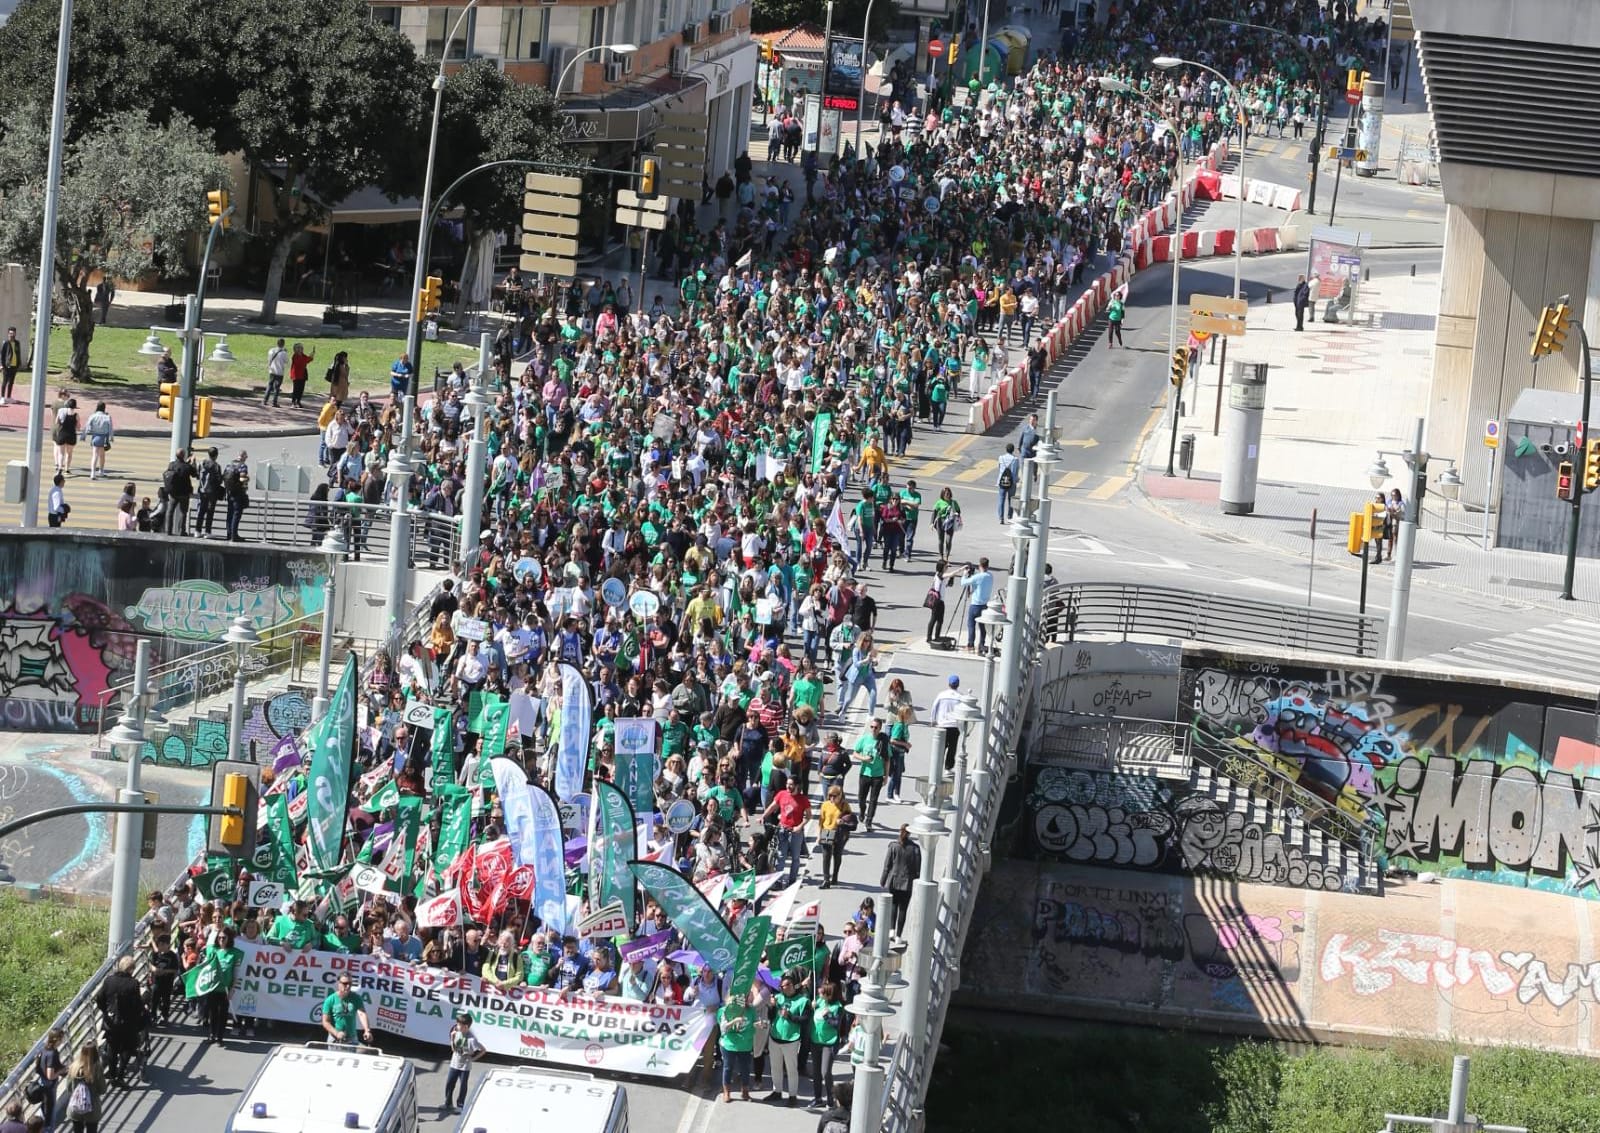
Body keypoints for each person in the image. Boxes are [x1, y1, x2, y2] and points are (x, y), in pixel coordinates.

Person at [94, 956, 145, 1085]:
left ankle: (112, 1074)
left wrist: (106, 1011)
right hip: (128, 1023)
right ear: (130, 969)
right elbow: (138, 1005)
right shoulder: (133, 984)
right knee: (127, 1048)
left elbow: (99, 997)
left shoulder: (109, 980)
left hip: (111, 1022)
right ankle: (120, 1076)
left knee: (112, 1048)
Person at [762, 775, 811, 885]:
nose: (788, 786)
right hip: (782, 829)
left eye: (791, 784)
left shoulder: (803, 799)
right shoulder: (782, 794)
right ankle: (778, 880)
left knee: (795, 857)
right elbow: (773, 806)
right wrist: (763, 816)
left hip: (795, 832)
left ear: (797, 786)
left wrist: (800, 827)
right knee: (781, 856)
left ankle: (792, 880)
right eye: (787, 784)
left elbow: (808, 816)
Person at [768, 974, 808, 1105]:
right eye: (782, 986)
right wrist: (772, 1006)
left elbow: (805, 1020)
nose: (785, 988)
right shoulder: (778, 998)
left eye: (788, 985)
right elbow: (771, 1017)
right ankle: (777, 1091)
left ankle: (792, 1096)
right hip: (775, 1037)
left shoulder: (803, 1001)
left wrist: (789, 1016)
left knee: (791, 1069)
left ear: (794, 985)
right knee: (775, 1067)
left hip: (791, 1040)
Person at [200, 926, 244, 1043]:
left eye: (223, 938)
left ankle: (220, 1036)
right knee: (212, 1012)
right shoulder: (213, 950)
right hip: (213, 987)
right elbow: (206, 967)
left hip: (225, 988)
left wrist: (232, 990)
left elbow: (236, 973)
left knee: (222, 1013)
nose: (221, 940)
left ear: (229, 938)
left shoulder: (235, 953)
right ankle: (211, 1034)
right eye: (219, 938)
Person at [808, 981, 845, 1108]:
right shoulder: (819, 1001)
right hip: (816, 1041)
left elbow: (836, 1025)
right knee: (816, 1072)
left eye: (823, 991)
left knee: (825, 1072)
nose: (820, 991)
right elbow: (811, 1008)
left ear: (829, 994)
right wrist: (811, 1005)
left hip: (829, 1043)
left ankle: (831, 1099)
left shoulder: (838, 1007)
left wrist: (828, 1016)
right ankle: (817, 1098)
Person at [880, 827, 921, 939]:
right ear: (909, 833)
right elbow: (918, 869)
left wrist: (883, 880)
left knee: (894, 905)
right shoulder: (915, 848)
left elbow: (887, 866)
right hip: (907, 883)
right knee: (903, 909)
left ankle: (891, 930)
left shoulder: (893, 846)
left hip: (894, 881)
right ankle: (898, 935)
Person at [443, 1011, 485, 1113]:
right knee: (449, 1083)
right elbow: (453, 1049)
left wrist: (474, 1059)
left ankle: (460, 1105)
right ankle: (448, 1103)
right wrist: (452, 1039)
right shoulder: (456, 1032)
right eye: (457, 1024)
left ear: (466, 1026)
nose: (457, 1026)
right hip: (454, 1062)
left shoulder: (472, 1039)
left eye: (459, 1025)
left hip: (465, 1066)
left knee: (463, 1085)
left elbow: (483, 1050)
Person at [718, 992, 756, 1103]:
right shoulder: (724, 1010)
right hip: (729, 1045)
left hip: (745, 1045)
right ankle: (727, 1092)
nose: (744, 1001)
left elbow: (754, 1023)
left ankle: (745, 1091)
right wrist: (734, 1021)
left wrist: (759, 1025)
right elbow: (723, 1028)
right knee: (728, 1068)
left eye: (746, 999)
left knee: (745, 1068)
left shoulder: (751, 1010)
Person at [817, 785, 854, 888]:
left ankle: (835, 876)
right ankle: (826, 879)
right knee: (826, 856)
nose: (832, 798)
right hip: (827, 831)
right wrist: (819, 835)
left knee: (837, 855)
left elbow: (850, 819)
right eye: (830, 796)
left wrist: (842, 821)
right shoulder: (825, 805)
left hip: (839, 833)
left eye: (834, 796)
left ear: (840, 795)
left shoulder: (845, 805)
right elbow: (821, 820)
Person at [63, 1041, 104, 1133]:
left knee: (77, 1130)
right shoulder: (97, 1068)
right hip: (92, 1109)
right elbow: (102, 1090)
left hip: (76, 1108)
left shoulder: (73, 1067)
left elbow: (69, 1088)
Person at [321, 974, 373, 1044]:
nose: (348, 986)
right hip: (334, 1038)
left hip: (352, 1038)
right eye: (345, 984)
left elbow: (362, 1014)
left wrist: (367, 1030)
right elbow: (325, 1022)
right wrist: (336, 1033)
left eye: (350, 984)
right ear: (338, 983)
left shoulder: (356, 998)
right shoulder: (330, 1000)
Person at [958, 558, 995, 653]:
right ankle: (981, 644)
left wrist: (965, 574)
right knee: (982, 627)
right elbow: (978, 585)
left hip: (975, 605)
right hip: (984, 605)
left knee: (971, 625)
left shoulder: (978, 577)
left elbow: (963, 583)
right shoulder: (990, 576)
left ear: (980, 566)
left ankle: (970, 644)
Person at [928, 675, 964, 772]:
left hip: (942, 725)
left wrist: (932, 720)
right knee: (952, 748)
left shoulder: (942, 695)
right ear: (958, 685)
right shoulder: (961, 697)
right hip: (954, 725)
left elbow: (934, 707)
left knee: (941, 747)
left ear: (949, 684)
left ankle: (937, 766)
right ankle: (948, 768)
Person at [162, 450, 194, 536]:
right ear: (183, 456)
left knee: (170, 511)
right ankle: (181, 531)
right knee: (183, 512)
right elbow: (195, 474)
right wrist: (192, 463)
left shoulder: (171, 465)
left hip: (173, 493)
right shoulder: (187, 466)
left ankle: (168, 530)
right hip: (184, 493)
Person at [194, 446, 224, 537]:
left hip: (202, 491)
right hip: (212, 492)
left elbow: (198, 476)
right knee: (210, 512)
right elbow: (219, 480)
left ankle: (197, 531)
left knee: (201, 511)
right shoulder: (216, 466)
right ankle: (207, 532)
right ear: (216, 455)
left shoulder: (202, 463)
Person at [223, 451, 250, 541]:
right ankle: (234, 536)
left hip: (229, 492)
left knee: (230, 513)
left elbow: (224, 476)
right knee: (236, 513)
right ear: (243, 456)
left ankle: (229, 534)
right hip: (238, 493)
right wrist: (247, 478)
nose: (246, 458)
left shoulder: (230, 464)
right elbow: (242, 479)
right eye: (246, 456)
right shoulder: (243, 466)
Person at [84, 403, 113, 480]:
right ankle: (101, 471)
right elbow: (110, 428)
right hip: (104, 438)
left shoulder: (93, 416)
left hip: (95, 437)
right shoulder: (107, 417)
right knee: (102, 456)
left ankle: (92, 473)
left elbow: (87, 426)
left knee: (94, 455)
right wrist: (111, 437)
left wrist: (84, 436)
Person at [52, 397, 78, 477]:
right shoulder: (76, 415)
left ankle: (60, 468)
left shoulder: (61, 411)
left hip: (62, 434)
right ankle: (67, 469)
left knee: (61, 453)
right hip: (71, 435)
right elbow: (78, 426)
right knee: (69, 453)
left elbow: (57, 421)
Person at [995, 443, 1019, 522]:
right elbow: (1016, 471)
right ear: (1013, 450)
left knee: (1001, 500)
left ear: (1006, 449)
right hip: (1012, 482)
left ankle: (1001, 517)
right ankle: (1009, 516)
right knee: (1011, 500)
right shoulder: (1015, 459)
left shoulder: (1001, 458)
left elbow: (999, 468)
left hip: (1002, 481)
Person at [288, 342, 316, 409]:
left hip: (303, 374)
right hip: (296, 375)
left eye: (301, 348)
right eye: (300, 348)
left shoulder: (303, 356)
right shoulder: (295, 356)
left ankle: (298, 401)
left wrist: (312, 355)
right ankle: (293, 402)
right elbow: (301, 362)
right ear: (296, 349)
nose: (301, 349)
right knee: (296, 389)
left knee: (301, 389)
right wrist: (308, 358)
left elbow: (307, 360)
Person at [0, 326, 23, 405]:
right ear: (8, 334)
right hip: (7, 366)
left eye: (13, 333)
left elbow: (18, 353)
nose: (11, 334)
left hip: (14, 366)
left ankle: (9, 397)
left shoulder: (17, 343)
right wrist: (1, 365)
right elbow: (2, 355)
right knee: (5, 382)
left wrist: (19, 363)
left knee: (11, 382)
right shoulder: (6, 343)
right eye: (10, 333)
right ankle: (2, 398)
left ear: (15, 333)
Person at [265, 338, 288, 407]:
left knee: (269, 386)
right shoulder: (284, 353)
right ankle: (274, 402)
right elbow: (286, 361)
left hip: (272, 370)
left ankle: (265, 400)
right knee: (277, 388)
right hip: (279, 372)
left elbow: (268, 359)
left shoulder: (271, 350)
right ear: (283, 344)